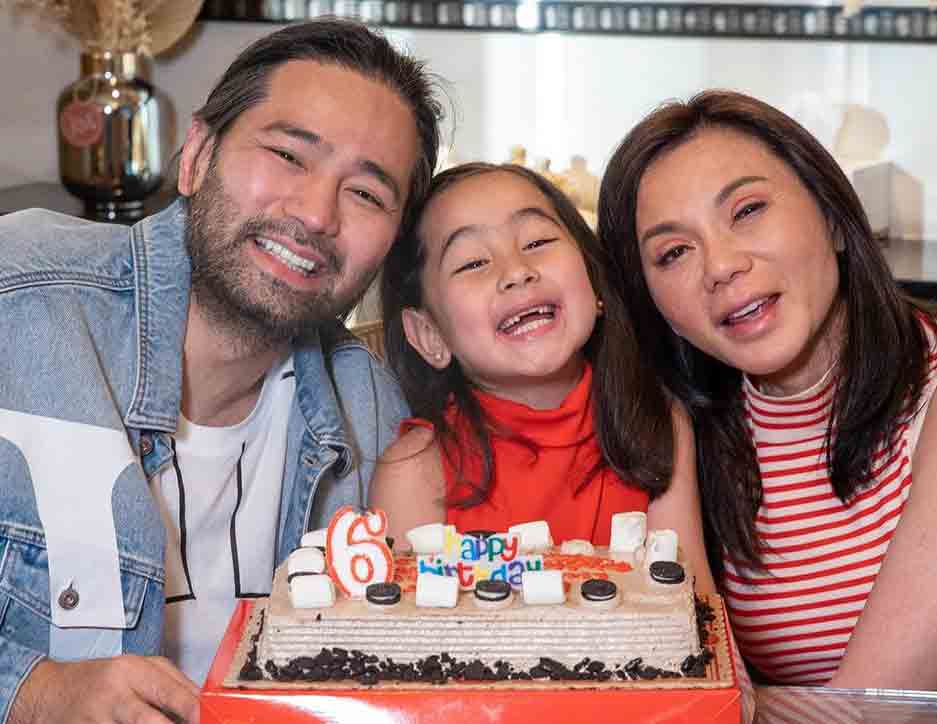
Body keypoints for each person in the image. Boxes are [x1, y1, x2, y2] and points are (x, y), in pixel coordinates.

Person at [0, 19, 443, 724]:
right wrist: (33, 693)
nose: (315, 214)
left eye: (366, 194)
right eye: (290, 156)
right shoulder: (19, 300)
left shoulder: (374, 415)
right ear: (197, 155)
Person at [597, 89, 937, 690]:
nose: (720, 265)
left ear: (833, 217)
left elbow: (867, 706)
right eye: (673, 252)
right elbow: (697, 690)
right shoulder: (687, 425)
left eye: (746, 210)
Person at [369, 162, 712, 592]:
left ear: (594, 281)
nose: (516, 271)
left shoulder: (656, 419)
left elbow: (692, 610)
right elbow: (404, 646)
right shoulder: (416, 469)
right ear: (430, 334)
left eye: (538, 241)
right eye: (473, 262)